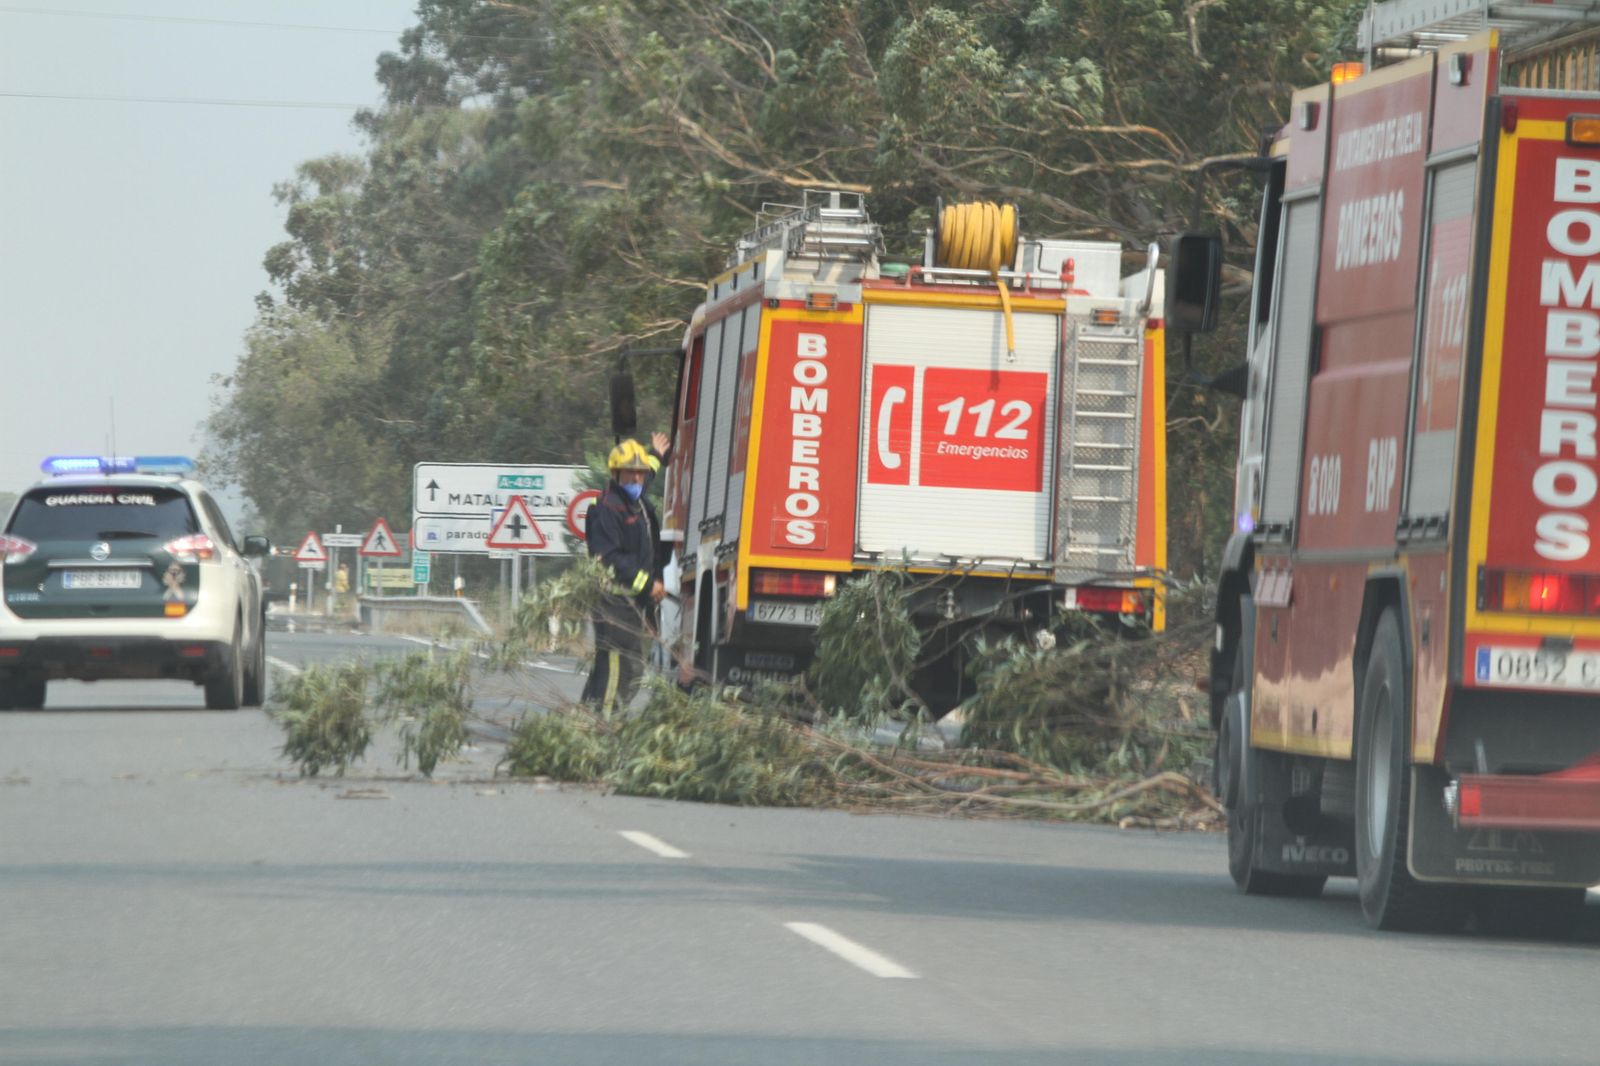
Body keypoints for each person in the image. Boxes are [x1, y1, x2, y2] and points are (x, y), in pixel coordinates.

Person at [581, 437, 668, 712]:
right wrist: (647, 584)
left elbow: (646, 476)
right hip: (614, 603)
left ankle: (587, 718)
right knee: (621, 669)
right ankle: (605, 724)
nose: (637, 477)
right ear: (616, 474)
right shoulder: (607, 508)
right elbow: (608, 557)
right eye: (631, 472)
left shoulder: (634, 498)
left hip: (631, 604)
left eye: (641, 472)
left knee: (612, 666)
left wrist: (656, 455)